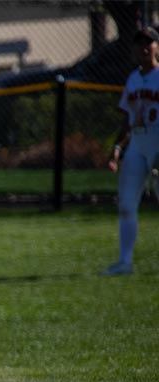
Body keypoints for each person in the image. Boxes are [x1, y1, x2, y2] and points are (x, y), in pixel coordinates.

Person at [103, 26, 159, 276]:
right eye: (140, 43)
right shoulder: (133, 79)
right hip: (137, 143)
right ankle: (124, 262)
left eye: (150, 42)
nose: (144, 47)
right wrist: (117, 147)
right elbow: (128, 118)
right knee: (126, 203)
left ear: (157, 47)